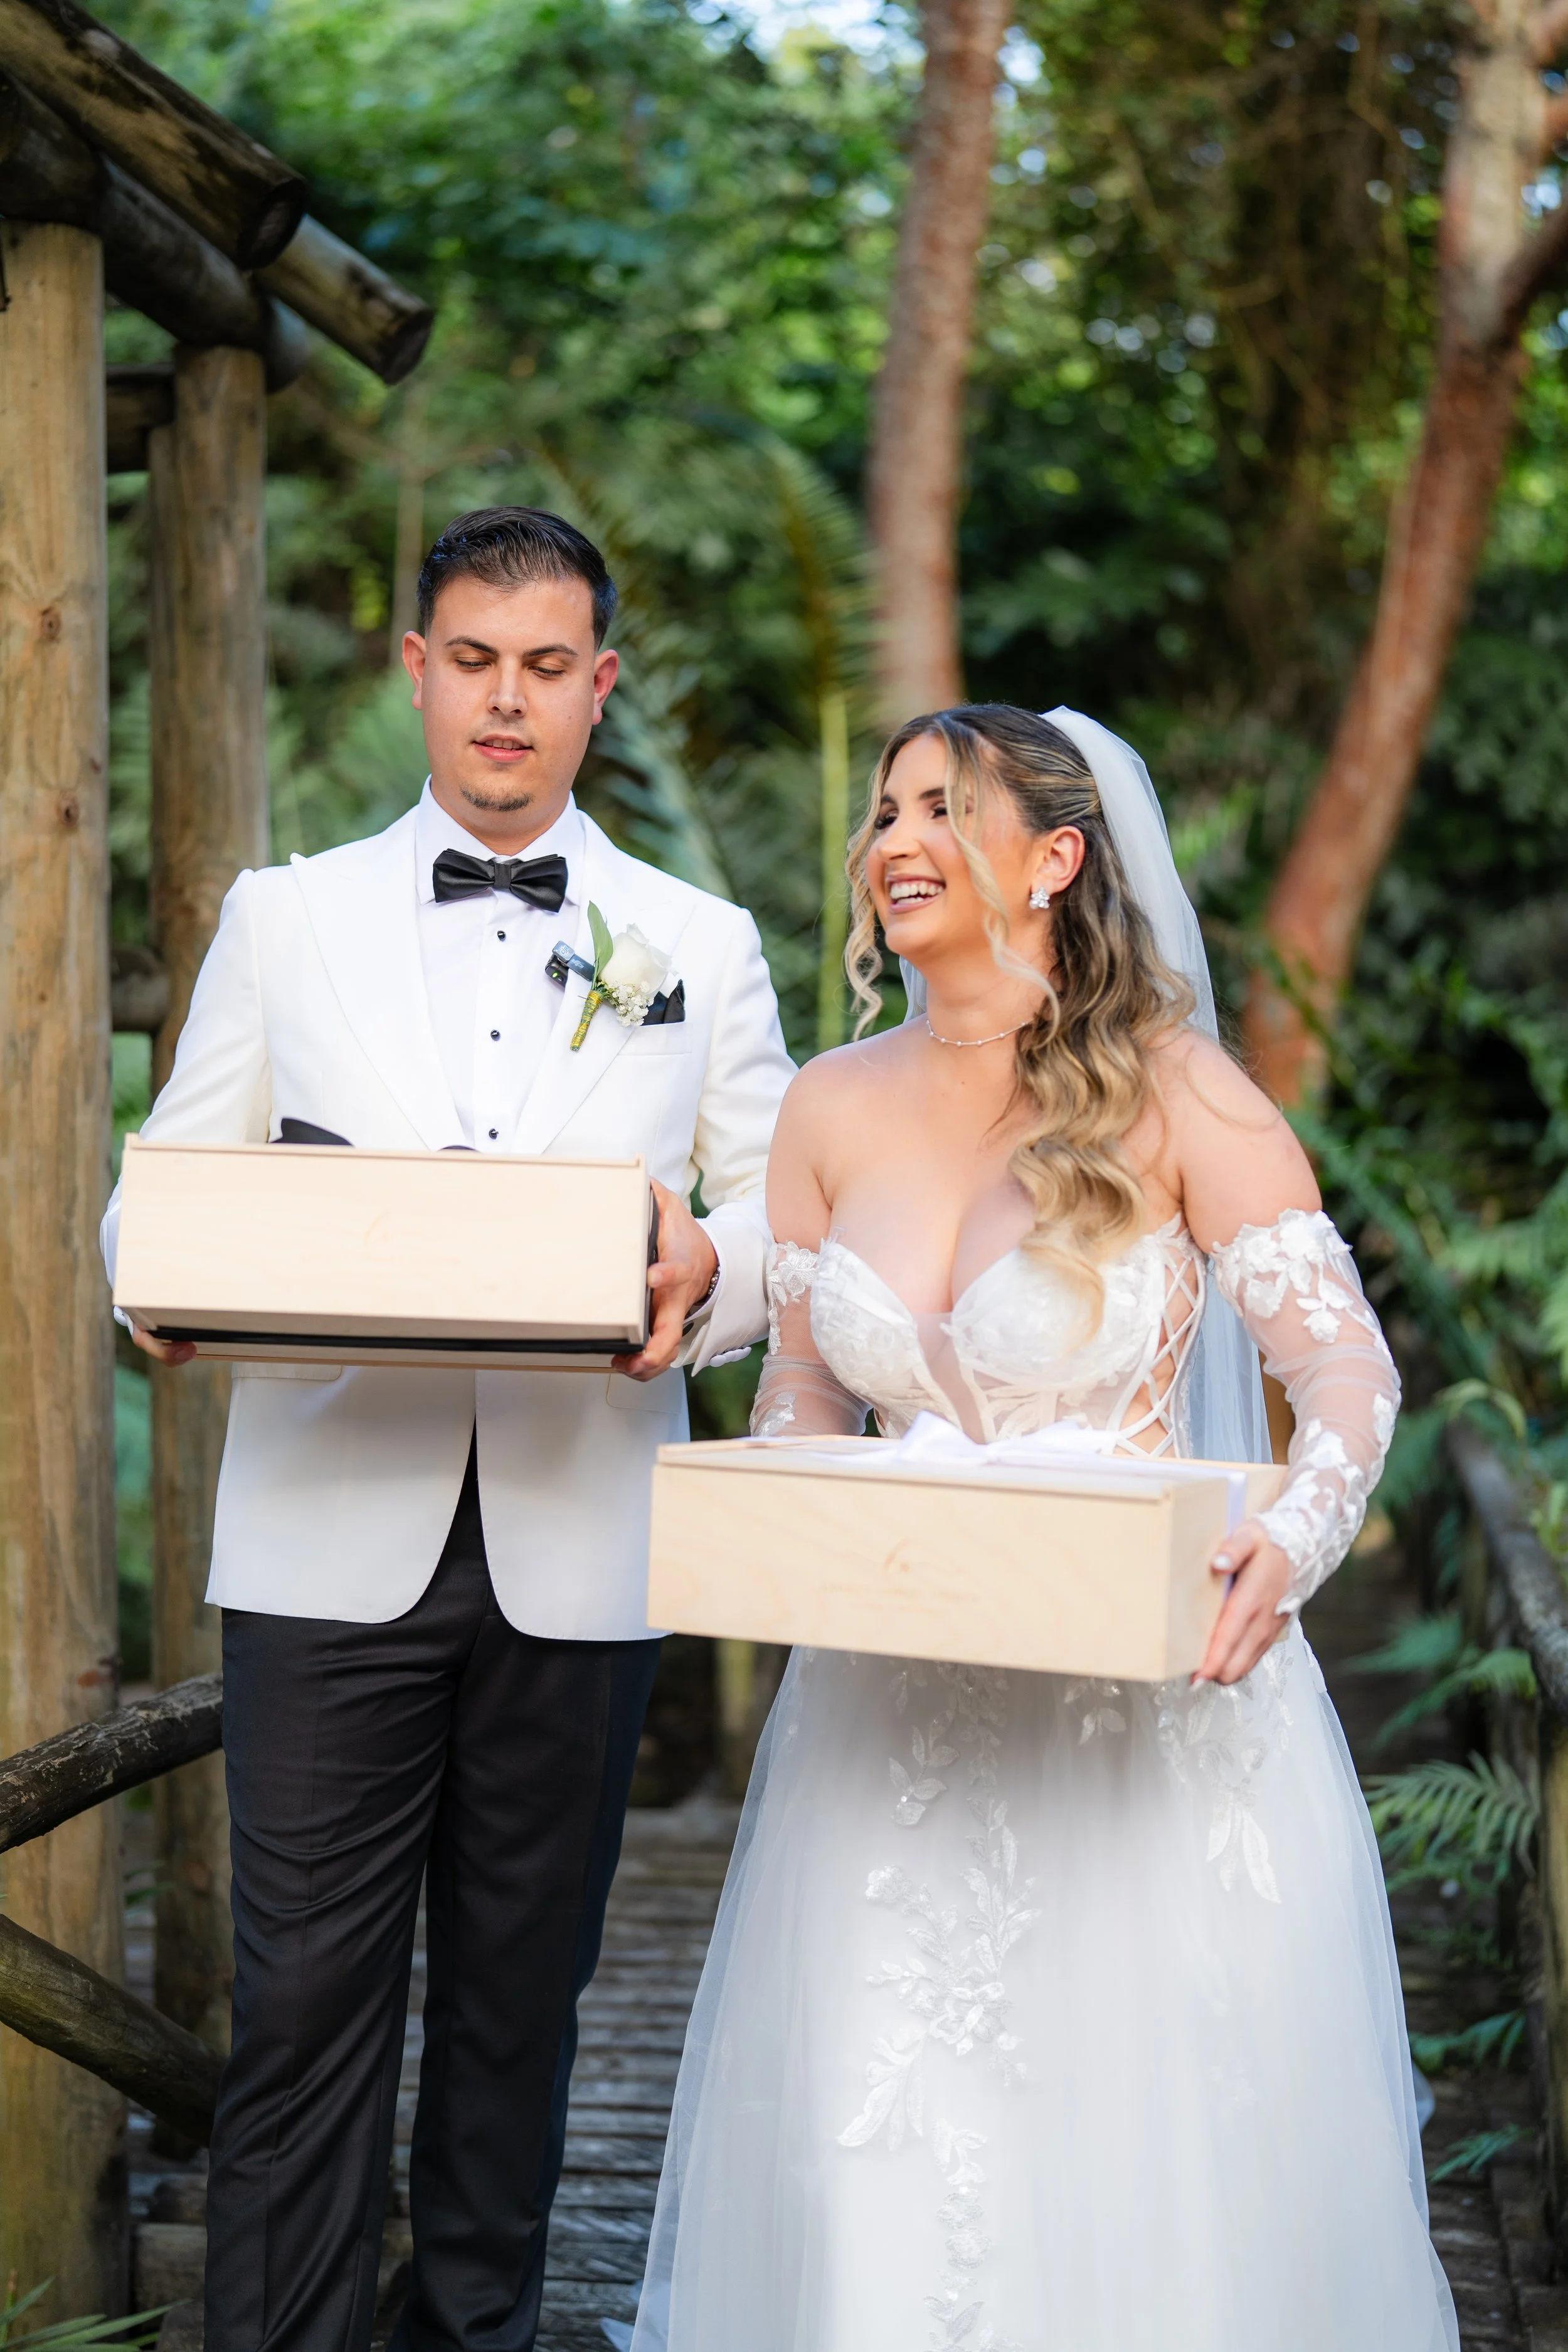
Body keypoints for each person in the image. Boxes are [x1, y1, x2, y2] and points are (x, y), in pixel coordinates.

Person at [627, 704, 1458, 2352]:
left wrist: (1285, 1547)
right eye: (880, 811)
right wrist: (778, 1517)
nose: (892, 837)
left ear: (1055, 856)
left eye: (941, 803)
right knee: (880, 2155)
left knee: (1132, 2172)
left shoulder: (1175, 1093)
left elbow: (1345, 1377)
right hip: (888, 1736)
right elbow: (800, 1399)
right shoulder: (824, 1108)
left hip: (1131, 1727)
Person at [99, 506, 794, 2352]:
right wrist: (144, 1281)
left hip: (584, 1541)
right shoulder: (285, 914)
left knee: (518, 1999)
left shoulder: (698, 942)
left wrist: (707, 1276)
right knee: (306, 1996)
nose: (507, 699)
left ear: (598, 688)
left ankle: (470, 2332)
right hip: (327, 1527)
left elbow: (781, 1225)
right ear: (417, 668)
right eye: (472, 659)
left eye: (546, 666)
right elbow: (167, 1167)